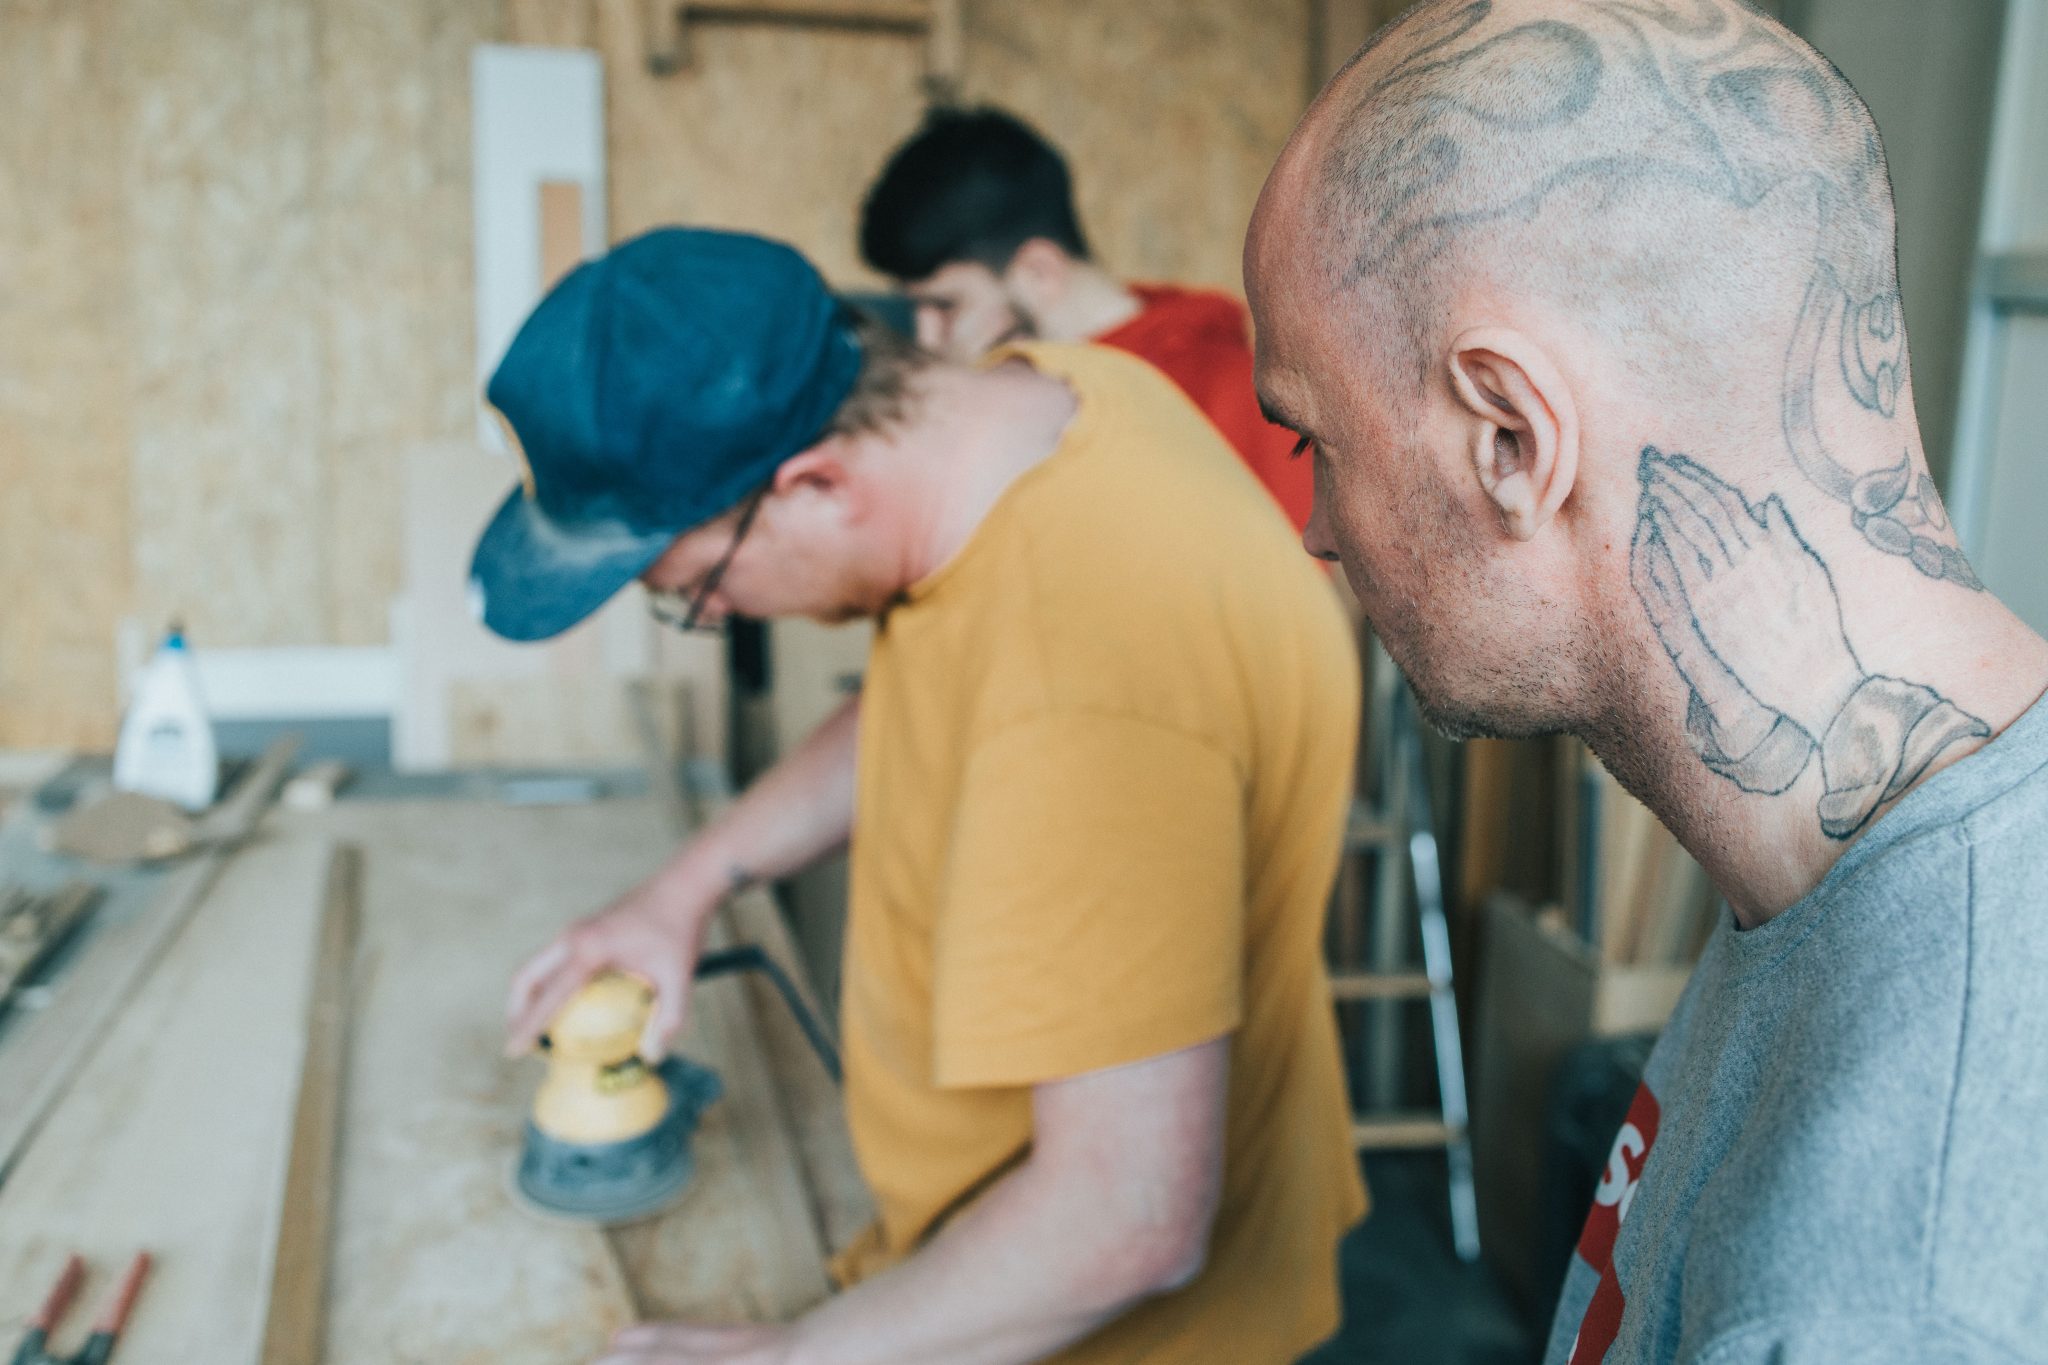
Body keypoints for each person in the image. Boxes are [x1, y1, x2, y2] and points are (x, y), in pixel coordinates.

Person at [1245, 1, 2048, 1361]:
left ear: (1512, 439)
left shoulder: (1887, 1290)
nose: (1317, 527)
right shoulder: (1844, 860)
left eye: (1313, 436)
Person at [477, 227, 1365, 1364]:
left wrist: (789, 1358)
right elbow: (924, 705)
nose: (715, 618)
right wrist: (684, 888)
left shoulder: (1083, 679)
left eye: (695, 587)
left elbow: (1123, 1222)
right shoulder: (1056, 408)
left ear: (815, 482)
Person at [859, 105, 1315, 533]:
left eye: (946, 307)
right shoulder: (999, 403)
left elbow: (1301, 606)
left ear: (1039, 272)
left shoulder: (1233, 397)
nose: (927, 338)